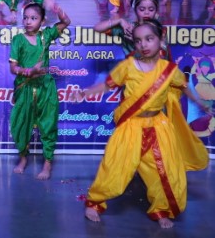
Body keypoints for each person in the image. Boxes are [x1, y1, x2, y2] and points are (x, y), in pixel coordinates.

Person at [78, 20, 209, 228]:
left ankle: (161, 209)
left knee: (164, 170)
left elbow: (184, 86)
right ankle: (94, 203)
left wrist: (200, 103)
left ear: (160, 39)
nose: (143, 44)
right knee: (115, 167)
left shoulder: (169, 70)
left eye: (149, 39)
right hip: (131, 127)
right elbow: (107, 85)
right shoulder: (128, 67)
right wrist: (86, 93)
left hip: (158, 126)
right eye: (138, 41)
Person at [9, 2, 71, 180]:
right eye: (26, 18)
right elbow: (13, 68)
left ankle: (47, 164)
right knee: (21, 124)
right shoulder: (18, 40)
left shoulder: (46, 36)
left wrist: (59, 11)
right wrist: (28, 71)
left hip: (45, 87)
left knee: (48, 124)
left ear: (42, 21)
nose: (28, 21)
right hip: (25, 87)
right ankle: (23, 159)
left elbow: (66, 22)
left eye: (33, 18)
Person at [94, 0, 165, 58]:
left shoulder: (159, 30)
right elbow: (97, 28)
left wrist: (136, 41)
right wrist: (119, 20)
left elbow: (163, 55)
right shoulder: (127, 28)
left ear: (156, 11)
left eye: (151, 10)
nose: (146, 12)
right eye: (142, 9)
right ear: (135, 10)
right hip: (131, 66)